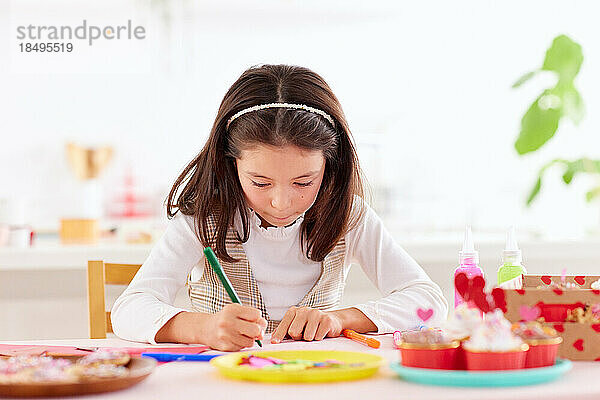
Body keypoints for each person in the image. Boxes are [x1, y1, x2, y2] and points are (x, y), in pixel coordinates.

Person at [111, 64, 448, 351]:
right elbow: (129, 309)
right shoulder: (203, 219)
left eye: (304, 183)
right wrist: (203, 328)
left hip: (316, 380)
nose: (281, 202)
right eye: (260, 182)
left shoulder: (349, 216)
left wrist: (339, 318)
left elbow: (429, 301)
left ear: (331, 166)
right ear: (231, 164)